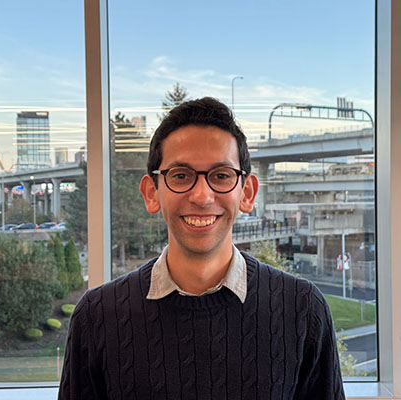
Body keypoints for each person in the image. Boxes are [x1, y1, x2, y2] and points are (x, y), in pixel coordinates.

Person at [58, 97, 345, 399]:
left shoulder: (303, 311)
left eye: (221, 176)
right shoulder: (97, 317)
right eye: (181, 176)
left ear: (247, 193)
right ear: (151, 193)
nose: (202, 196)